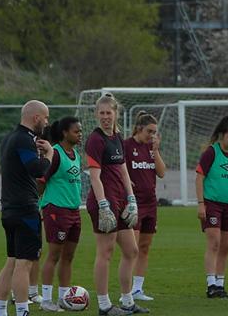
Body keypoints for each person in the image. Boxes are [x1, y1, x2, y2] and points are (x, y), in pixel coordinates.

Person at [85, 94, 146, 315]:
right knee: (106, 252)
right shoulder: (95, 139)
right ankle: (104, 305)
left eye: (108, 113)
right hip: (105, 202)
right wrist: (103, 204)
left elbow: (122, 168)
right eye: (101, 113)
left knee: (131, 250)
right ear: (96, 114)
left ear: (115, 113)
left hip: (120, 200)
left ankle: (127, 300)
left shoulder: (117, 136)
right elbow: (94, 176)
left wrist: (131, 199)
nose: (105, 117)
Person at [0, 100, 53, 316]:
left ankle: (0, 311)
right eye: (45, 118)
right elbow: (37, 170)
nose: (46, 123)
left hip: (8, 208)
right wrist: (49, 154)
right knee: (24, 264)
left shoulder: (9, 138)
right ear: (36, 117)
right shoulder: (24, 139)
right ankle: (22, 311)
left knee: (11, 262)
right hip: (25, 209)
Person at [196, 115, 228, 299]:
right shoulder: (211, 153)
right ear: (222, 135)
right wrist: (201, 204)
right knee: (214, 243)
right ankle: (211, 285)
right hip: (212, 204)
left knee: (225, 247)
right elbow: (199, 177)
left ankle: (220, 285)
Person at [38, 116, 84, 312]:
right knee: (54, 255)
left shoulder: (76, 154)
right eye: (76, 131)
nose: (80, 134)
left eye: (81, 131)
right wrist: (40, 204)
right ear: (65, 133)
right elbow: (41, 180)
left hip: (74, 211)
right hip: (56, 209)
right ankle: (46, 300)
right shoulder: (55, 154)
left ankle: (65, 298)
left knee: (69, 256)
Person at [123, 112, 166, 302]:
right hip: (134, 203)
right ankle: (127, 290)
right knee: (133, 248)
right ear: (140, 128)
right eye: (150, 131)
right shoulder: (126, 145)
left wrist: (156, 150)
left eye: (155, 132)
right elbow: (117, 168)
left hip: (151, 203)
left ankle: (138, 289)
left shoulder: (151, 148)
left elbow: (162, 172)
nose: (152, 135)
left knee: (145, 247)